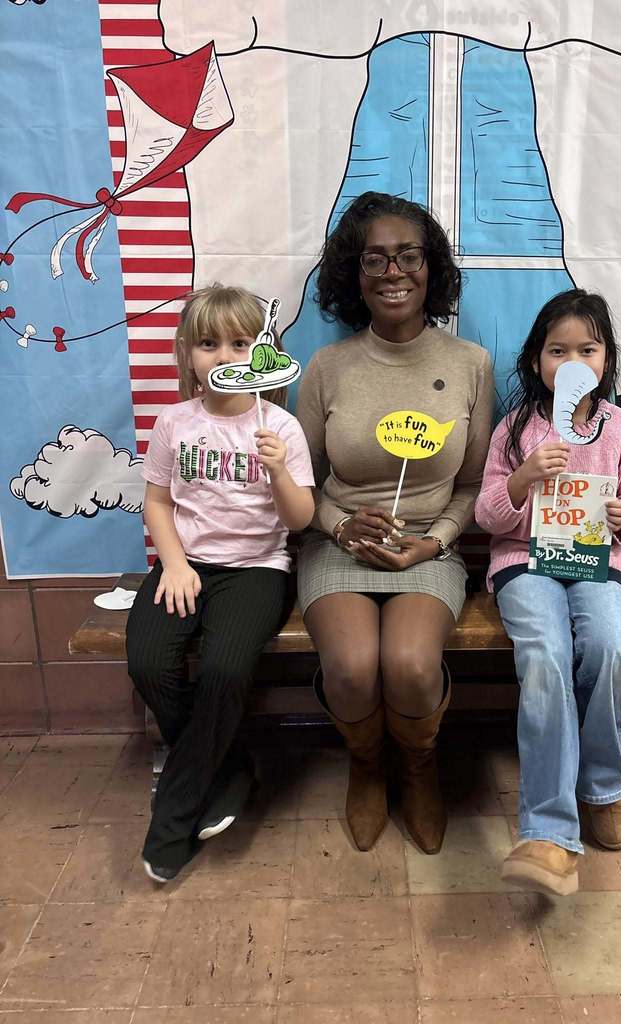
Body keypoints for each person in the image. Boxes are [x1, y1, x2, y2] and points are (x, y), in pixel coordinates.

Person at [296, 191, 494, 855]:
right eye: (374, 259)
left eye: (408, 255)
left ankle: (418, 765)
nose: (392, 271)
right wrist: (337, 526)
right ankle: (367, 764)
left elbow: (473, 486)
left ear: (431, 268)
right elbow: (300, 483)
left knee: (409, 665)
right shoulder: (327, 368)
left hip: (428, 547)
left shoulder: (470, 364)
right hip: (338, 546)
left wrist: (434, 543)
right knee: (353, 668)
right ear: (353, 275)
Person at [126, 284, 315, 882]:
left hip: (257, 569)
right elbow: (158, 502)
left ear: (263, 352)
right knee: (148, 662)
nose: (224, 357)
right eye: (208, 344)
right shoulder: (175, 422)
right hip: (185, 563)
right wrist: (174, 563)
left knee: (225, 671)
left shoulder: (280, 426)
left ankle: (172, 821)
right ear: (187, 353)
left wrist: (278, 471)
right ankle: (229, 766)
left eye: (240, 343)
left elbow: (300, 520)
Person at [475, 288, 621, 896]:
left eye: (587, 349)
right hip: (525, 562)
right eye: (558, 350)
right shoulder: (515, 429)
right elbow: (488, 516)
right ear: (536, 360)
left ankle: (605, 779)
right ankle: (549, 831)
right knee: (545, 655)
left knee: (614, 649)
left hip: (599, 562)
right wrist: (524, 477)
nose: (572, 361)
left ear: (606, 360)